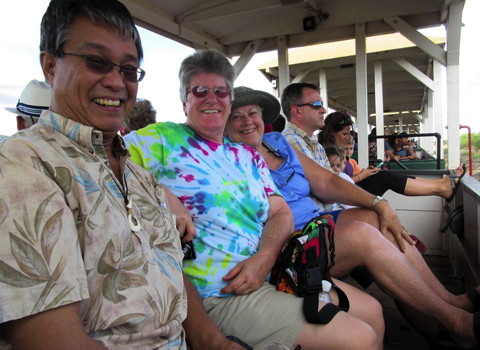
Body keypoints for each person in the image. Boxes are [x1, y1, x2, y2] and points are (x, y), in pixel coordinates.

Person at [0, 1, 240, 349]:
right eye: (97, 63)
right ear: (50, 67)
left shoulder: (140, 178)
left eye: (129, 70)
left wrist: (218, 344)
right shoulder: (25, 166)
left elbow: (169, 273)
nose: (116, 82)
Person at [125, 49, 386, 350]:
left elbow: (280, 212)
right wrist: (161, 193)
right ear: (185, 100)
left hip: (277, 271)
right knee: (360, 339)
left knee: (374, 313)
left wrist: (264, 258)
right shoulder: (160, 139)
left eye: (221, 91)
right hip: (220, 291)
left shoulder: (246, 155)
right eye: (200, 90)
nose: (212, 98)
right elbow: (104, 157)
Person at [224, 86, 480, 348]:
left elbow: (325, 180)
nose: (247, 121)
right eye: (236, 116)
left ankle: (450, 303)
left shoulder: (276, 142)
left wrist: (378, 203)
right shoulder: (229, 158)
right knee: (363, 235)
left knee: (375, 218)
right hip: (290, 243)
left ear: (262, 117)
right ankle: (454, 322)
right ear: (223, 121)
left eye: (252, 113)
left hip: (319, 225)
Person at [282, 83, 466, 201]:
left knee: (385, 177)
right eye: (316, 105)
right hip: (332, 203)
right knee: (384, 180)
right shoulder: (293, 143)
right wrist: (371, 195)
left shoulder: (313, 144)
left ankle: (440, 185)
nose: (323, 110)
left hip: (338, 196)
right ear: (297, 111)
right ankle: (440, 187)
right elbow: (326, 185)